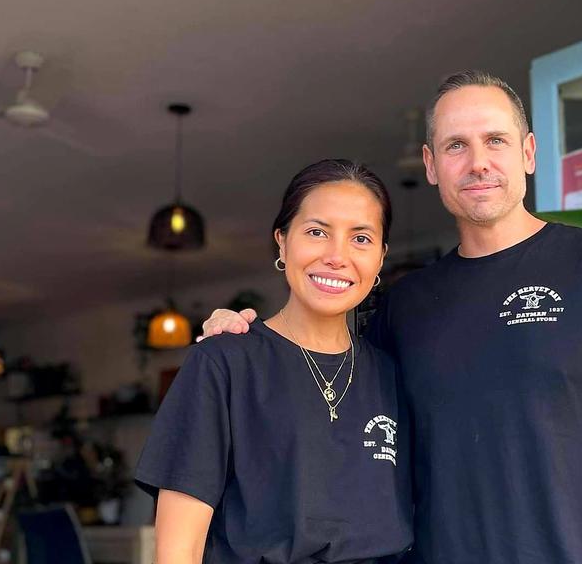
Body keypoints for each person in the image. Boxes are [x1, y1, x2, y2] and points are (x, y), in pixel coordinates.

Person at [202, 71, 582, 564]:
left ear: (528, 153)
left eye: (495, 140)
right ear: (430, 165)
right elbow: (320, 398)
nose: (478, 162)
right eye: (456, 145)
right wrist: (245, 339)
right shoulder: (402, 307)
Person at [136, 160, 412, 564]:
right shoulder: (224, 362)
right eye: (317, 232)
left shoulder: (391, 374)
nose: (337, 256)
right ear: (282, 242)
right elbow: (179, 549)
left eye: (361, 238)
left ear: (381, 257)